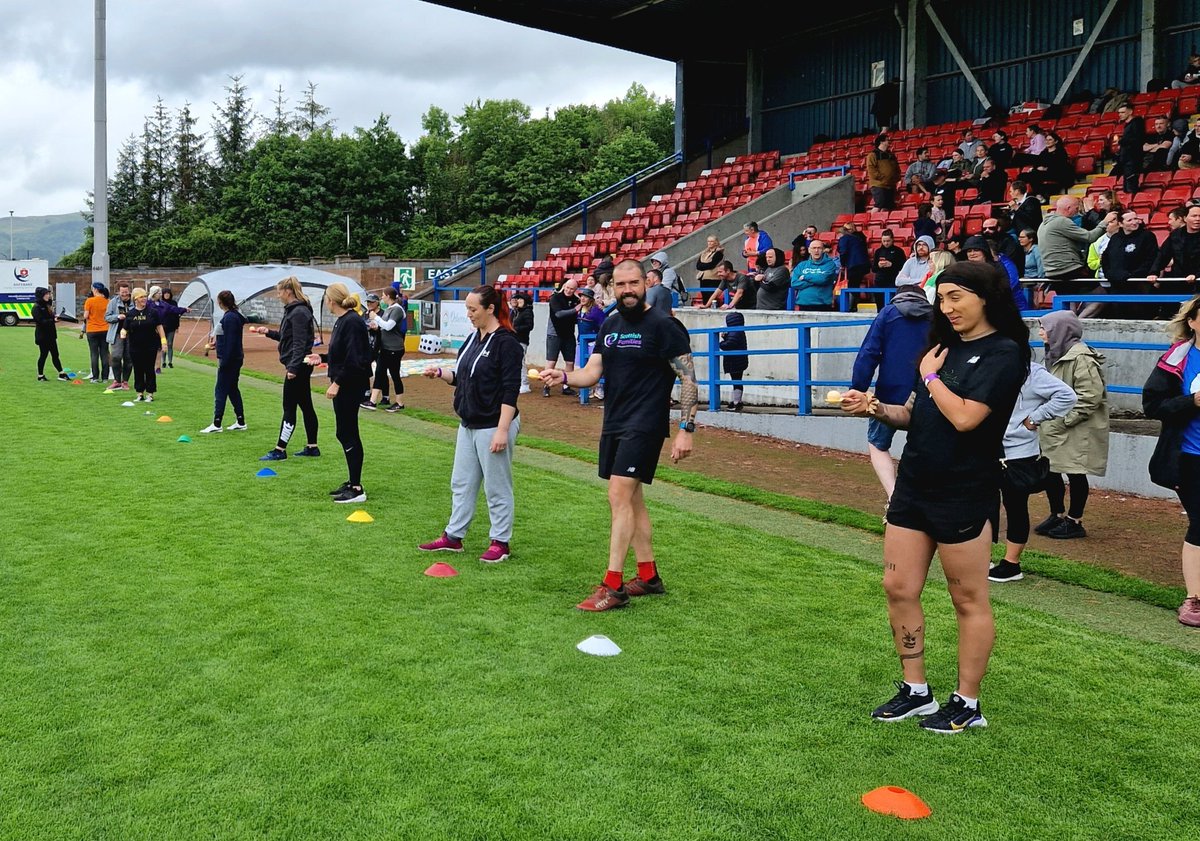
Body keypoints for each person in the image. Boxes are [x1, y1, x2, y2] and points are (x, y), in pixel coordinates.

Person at [841, 260, 1028, 733]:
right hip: (914, 486)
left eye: (956, 297)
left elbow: (966, 418)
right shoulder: (940, 350)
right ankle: (916, 691)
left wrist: (929, 377)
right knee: (898, 588)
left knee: (968, 599)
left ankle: (967, 702)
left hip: (964, 491)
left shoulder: (1005, 353)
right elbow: (913, 415)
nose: (947, 308)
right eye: (941, 299)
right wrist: (874, 407)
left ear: (985, 297)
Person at [538, 259, 696, 610]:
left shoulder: (665, 325)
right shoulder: (610, 324)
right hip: (614, 421)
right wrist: (564, 377)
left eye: (634, 283)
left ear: (646, 282)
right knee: (632, 499)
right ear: (613, 287)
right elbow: (593, 370)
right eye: (621, 285)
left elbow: (688, 378)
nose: (627, 290)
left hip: (646, 423)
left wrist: (686, 429)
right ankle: (649, 576)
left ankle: (613, 586)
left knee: (618, 494)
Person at [420, 285, 523, 563]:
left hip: (493, 424)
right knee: (462, 482)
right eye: (467, 308)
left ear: (490, 309)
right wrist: (440, 373)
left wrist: (502, 429)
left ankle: (501, 541)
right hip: (468, 423)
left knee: (497, 485)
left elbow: (510, 389)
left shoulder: (507, 343)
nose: (468, 314)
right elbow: (463, 375)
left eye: (473, 309)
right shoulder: (472, 339)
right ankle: (454, 536)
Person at [849, 272, 934, 512]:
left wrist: (858, 388)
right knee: (923, 445)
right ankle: (920, 497)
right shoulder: (936, 317)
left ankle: (894, 494)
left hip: (890, 391)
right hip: (928, 392)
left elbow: (869, 352)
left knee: (877, 443)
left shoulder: (888, 313)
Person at [987, 363, 1077, 583]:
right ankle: (982, 557)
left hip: (1017, 453)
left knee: (1015, 505)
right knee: (982, 503)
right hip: (985, 447)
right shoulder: (985, 365)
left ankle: (1011, 564)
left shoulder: (1031, 372)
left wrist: (1034, 418)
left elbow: (1067, 395)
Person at [1143, 296, 1200, 626]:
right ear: (1191, 321)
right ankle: (1193, 599)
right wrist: (1192, 401)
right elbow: (1152, 405)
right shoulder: (1175, 360)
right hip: (1189, 458)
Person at [1035, 310, 1109, 540]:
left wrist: (1065, 420)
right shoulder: (1056, 353)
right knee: (1050, 470)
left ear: (1060, 331)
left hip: (1076, 428)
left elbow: (1090, 396)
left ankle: (1075, 520)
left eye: (1044, 328)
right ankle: (1057, 514)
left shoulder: (1081, 357)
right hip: (1056, 426)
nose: (1040, 332)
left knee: (1076, 473)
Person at [303, 283, 371, 504]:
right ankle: (352, 482)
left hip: (351, 384)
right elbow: (341, 354)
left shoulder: (352, 322)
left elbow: (356, 359)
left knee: (348, 431)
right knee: (343, 431)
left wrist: (337, 383)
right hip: (346, 382)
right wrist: (321, 358)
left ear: (331, 300)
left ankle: (357, 488)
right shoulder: (344, 321)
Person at [249, 276, 320, 460]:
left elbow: (299, 343)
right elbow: (287, 337)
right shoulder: (295, 311)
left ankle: (280, 450)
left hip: (298, 366)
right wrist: (269, 333)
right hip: (299, 364)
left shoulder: (298, 312)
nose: (278, 295)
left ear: (288, 291)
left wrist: (294, 369)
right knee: (306, 405)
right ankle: (312, 447)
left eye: (279, 291)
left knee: (289, 407)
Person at [201, 290, 247, 434]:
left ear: (221, 303)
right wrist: (217, 345)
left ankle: (217, 423)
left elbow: (232, 342)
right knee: (232, 389)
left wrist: (225, 361)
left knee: (220, 390)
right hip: (232, 358)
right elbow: (226, 338)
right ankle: (240, 421)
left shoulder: (230, 318)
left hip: (230, 360)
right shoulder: (231, 316)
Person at [122, 288, 167, 402]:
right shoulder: (130, 314)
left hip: (150, 345)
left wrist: (163, 342)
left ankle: (150, 394)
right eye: (141, 297)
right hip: (135, 347)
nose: (144, 299)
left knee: (149, 369)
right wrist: (123, 333)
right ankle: (139, 393)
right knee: (138, 369)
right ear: (135, 299)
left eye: (145, 297)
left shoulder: (153, 312)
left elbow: (159, 327)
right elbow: (125, 328)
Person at [369, 287, 408, 412]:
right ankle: (372, 401)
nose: (382, 298)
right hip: (386, 347)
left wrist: (376, 318)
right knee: (380, 372)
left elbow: (389, 326)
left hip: (394, 348)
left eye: (383, 295)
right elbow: (384, 327)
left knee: (394, 374)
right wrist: (376, 326)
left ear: (388, 296)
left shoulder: (397, 309)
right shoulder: (389, 309)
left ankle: (400, 402)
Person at [544, 279, 579, 397]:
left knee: (570, 362)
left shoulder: (576, 300)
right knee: (551, 361)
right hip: (554, 334)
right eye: (568, 287)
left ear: (575, 290)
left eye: (572, 289)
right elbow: (559, 314)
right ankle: (546, 386)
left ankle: (566, 386)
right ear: (564, 286)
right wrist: (575, 310)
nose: (569, 290)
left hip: (569, 334)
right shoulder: (555, 298)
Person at [790, 240, 840, 311]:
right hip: (803, 305)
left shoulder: (830, 264)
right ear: (809, 250)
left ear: (823, 250)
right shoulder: (802, 265)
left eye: (819, 248)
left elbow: (823, 279)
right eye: (814, 248)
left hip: (822, 305)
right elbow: (794, 283)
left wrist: (805, 277)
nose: (816, 250)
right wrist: (816, 280)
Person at [32, 287, 68, 381]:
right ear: (41, 295)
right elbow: (41, 321)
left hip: (51, 335)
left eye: (48, 293)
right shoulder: (36, 307)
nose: (48, 295)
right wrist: (53, 320)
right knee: (43, 355)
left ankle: (61, 373)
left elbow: (49, 315)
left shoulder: (46, 305)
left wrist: (54, 318)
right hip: (43, 336)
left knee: (55, 354)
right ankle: (40, 376)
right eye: (46, 294)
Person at [105, 281, 134, 390]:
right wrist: (117, 317)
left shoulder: (134, 302)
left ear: (129, 291)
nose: (124, 294)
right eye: (122, 292)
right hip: (117, 334)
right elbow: (107, 317)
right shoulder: (113, 302)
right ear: (118, 292)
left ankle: (125, 381)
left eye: (126, 292)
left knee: (128, 358)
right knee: (116, 356)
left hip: (131, 334)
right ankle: (117, 380)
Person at [82, 282, 111, 383]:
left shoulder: (89, 301)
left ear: (94, 289)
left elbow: (85, 316)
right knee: (104, 353)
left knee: (94, 354)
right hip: (105, 329)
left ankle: (95, 377)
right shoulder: (107, 301)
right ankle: (105, 377)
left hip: (92, 330)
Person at [153, 286, 189, 369]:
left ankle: (170, 361)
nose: (166, 295)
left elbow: (177, 313)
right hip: (162, 327)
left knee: (170, 344)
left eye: (168, 293)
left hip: (171, 326)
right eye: (165, 293)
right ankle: (163, 362)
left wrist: (177, 326)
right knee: (162, 344)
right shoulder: (159, 304)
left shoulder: (173, 303)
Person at [719, 311, 748, 412]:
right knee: (737, 381)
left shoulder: (734, 332)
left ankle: (736, 402)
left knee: (736, 381)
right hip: (738, 360)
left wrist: (721, 343)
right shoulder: (738, 331)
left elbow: (729, 344)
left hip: (735, 361)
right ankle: (736, 401)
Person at [1115, 103, 1145, 194]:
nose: (1120, 114)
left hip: (1133, 158)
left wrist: (1121, 141)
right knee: (1126, 187)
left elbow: (1137, 139)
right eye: (1119, 113)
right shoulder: (1128, 125)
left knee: (1131, 186)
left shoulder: (1137, 123)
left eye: (1123, 112)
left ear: (1130, 112)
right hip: (1126, 159)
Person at [866, 134, 900, 211]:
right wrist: (883, 178)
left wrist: (896, 178)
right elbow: (871, 170)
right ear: (881, 142)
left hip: (890, 185)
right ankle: (871, 221)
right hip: (879, 185)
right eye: (887, 140)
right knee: (879, 204)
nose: (889, 142)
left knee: (887, 207)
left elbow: (897, 168)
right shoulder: (872, 155)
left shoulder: (891, 155)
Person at [511, 291, 535, 394]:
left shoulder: (527, 312)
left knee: (520, 362)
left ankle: (524, 384)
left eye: (520, 299)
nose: (518, 301)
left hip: (521, 340)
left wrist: (515, 328)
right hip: (514, 339)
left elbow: (529, 326)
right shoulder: (516, 311)